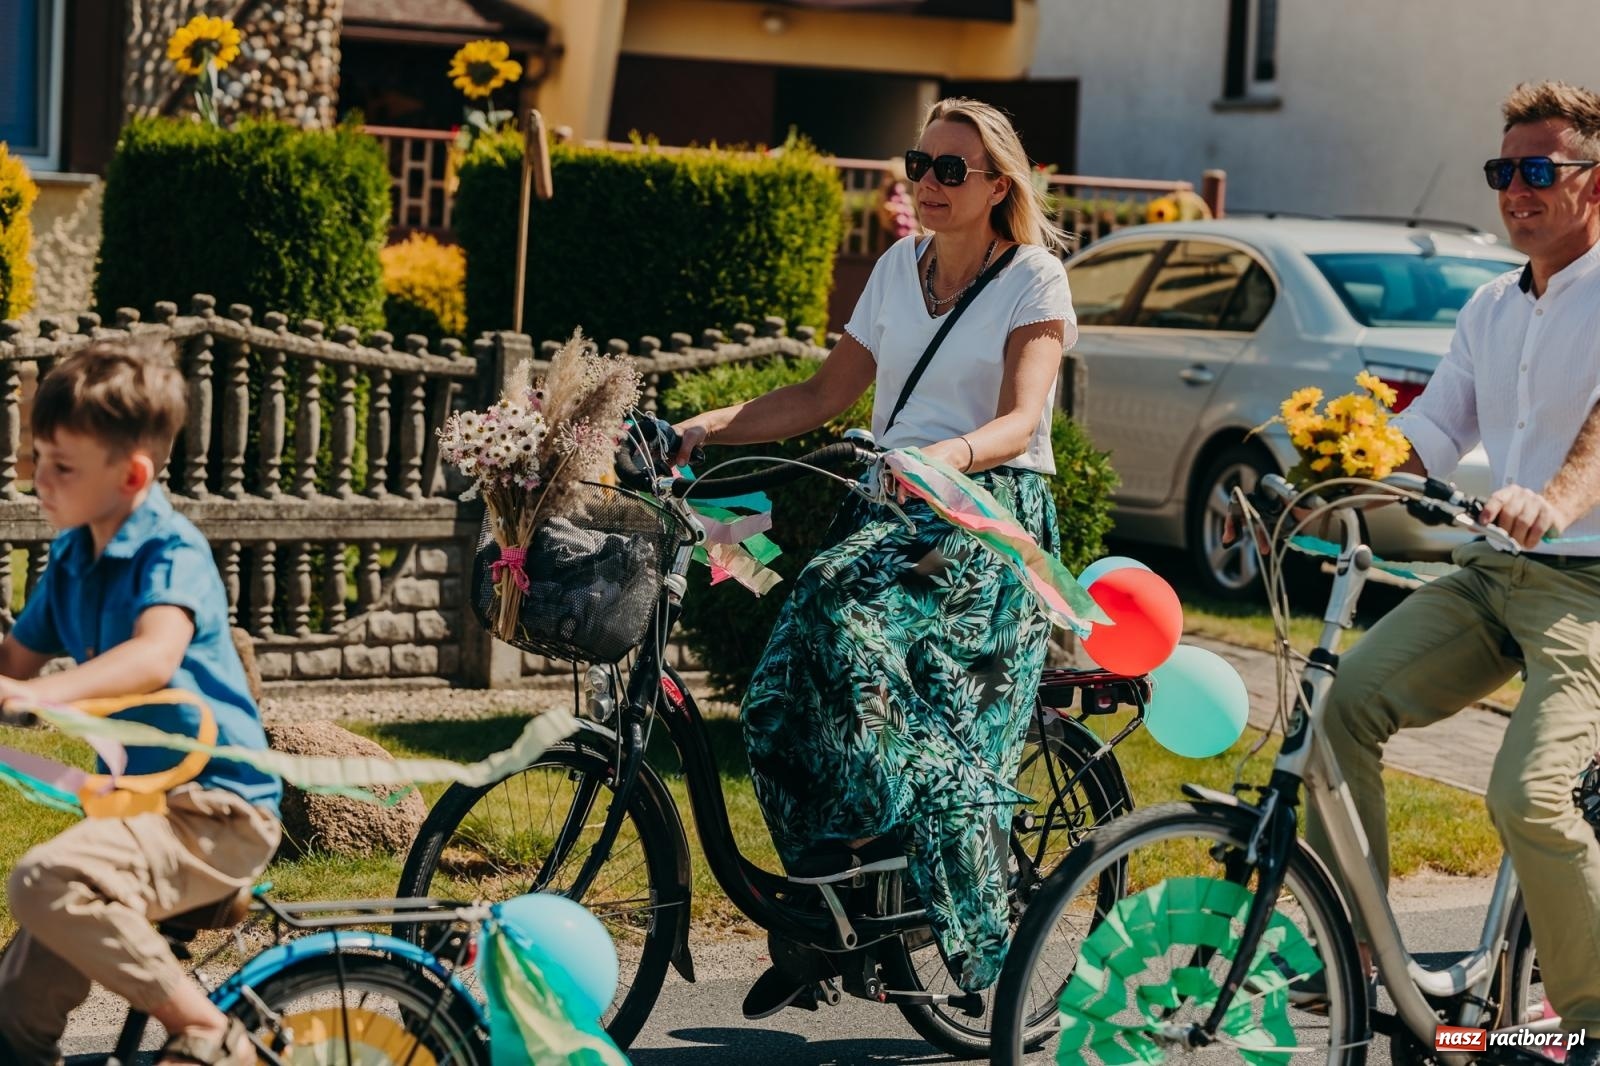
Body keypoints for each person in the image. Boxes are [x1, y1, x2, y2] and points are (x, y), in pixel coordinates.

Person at [672, 97, 1077, 1013]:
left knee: (828, 605)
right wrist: (699, 430)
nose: (926, 183)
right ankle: (833, 900)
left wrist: (945, 456)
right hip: (896, 514)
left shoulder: (1034, 279)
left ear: (996, 187)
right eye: (918, 163)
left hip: (985, 516)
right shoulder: (898, 267)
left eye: (951, 170)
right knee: (776, 689)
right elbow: (823, 392)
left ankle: (953, 898)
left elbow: (1021, 418)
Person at [1303, 80, 1600, 1056]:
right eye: (1500, 171)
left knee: (1528, 794)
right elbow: (1435, 422)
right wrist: (1346, 463)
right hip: (1492, 573)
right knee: (1342, 704)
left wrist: (1551, 500)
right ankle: (1358, 944)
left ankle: (1595, 1018)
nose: (1514, 190)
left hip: (1587, 585)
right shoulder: (1487, 305)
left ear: (1592, 183)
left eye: (1536, 171)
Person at [0, 339, 282, 1066]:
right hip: (137, 817)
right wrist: (17, 679)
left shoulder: (170, 551)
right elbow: (11, 660)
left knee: (44, 880)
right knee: (11, 1013)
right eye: (37, 460)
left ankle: (210, 1033)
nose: (41, 483)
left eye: (61, 468)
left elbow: (153, 655)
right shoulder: (70, 558)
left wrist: (37, 694)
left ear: (130, 475)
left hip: (215, 814)